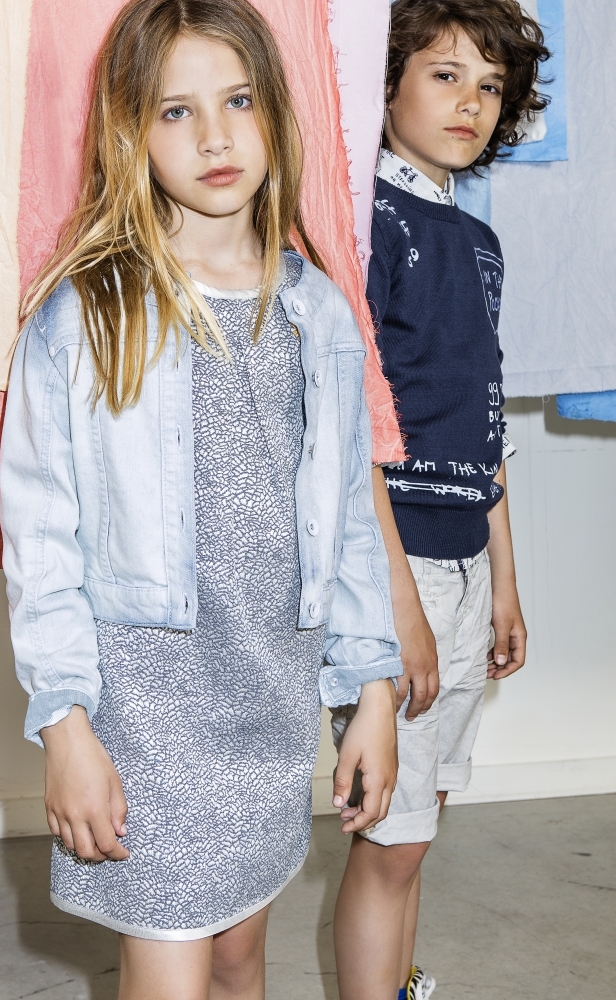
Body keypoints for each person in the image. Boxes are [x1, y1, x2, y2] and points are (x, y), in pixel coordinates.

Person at [0, 1, 403, 997]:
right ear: (129, 131)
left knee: (233, 955)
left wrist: (371, 689)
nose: (215, 136)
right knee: (171, 963)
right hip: (141, 705)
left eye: (238, 101)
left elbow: (349, 524)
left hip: (267, 688)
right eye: (176, 111)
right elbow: (39, 537)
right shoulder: (86, 313)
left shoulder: (316, 312)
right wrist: (65, 723)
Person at [331, 2, 549, 998]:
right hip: (400, 560)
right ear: (387, 85)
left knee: (419, 823)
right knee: (390, 832)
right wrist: (398, 604)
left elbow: (482, 416)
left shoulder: (479, 242)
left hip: (464, 559)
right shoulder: (365, 224)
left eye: (489, 85)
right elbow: (353, 423)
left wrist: (504, 579)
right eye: (444, 74)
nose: (470, 103)